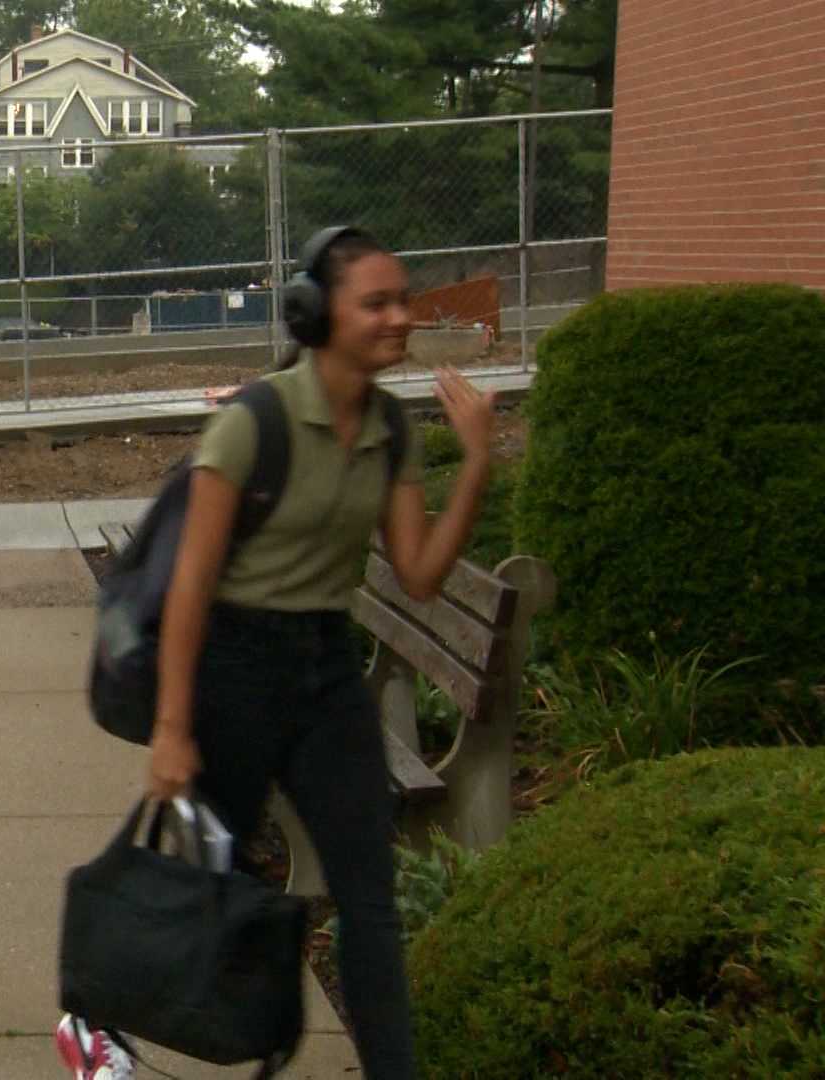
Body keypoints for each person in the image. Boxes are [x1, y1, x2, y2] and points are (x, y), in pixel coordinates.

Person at [136, 227, 495, 1080]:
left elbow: (416, 576)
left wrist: (476, 461)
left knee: (369, 899)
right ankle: (105, 1021)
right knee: (214, 893)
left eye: (403, 300)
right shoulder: (252, 423)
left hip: (328, 677)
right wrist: (173, 726)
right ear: (315, 314)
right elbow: (190, 586)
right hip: (235, 671)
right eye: (376, 303)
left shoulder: (389, 429)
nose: (399, 318)